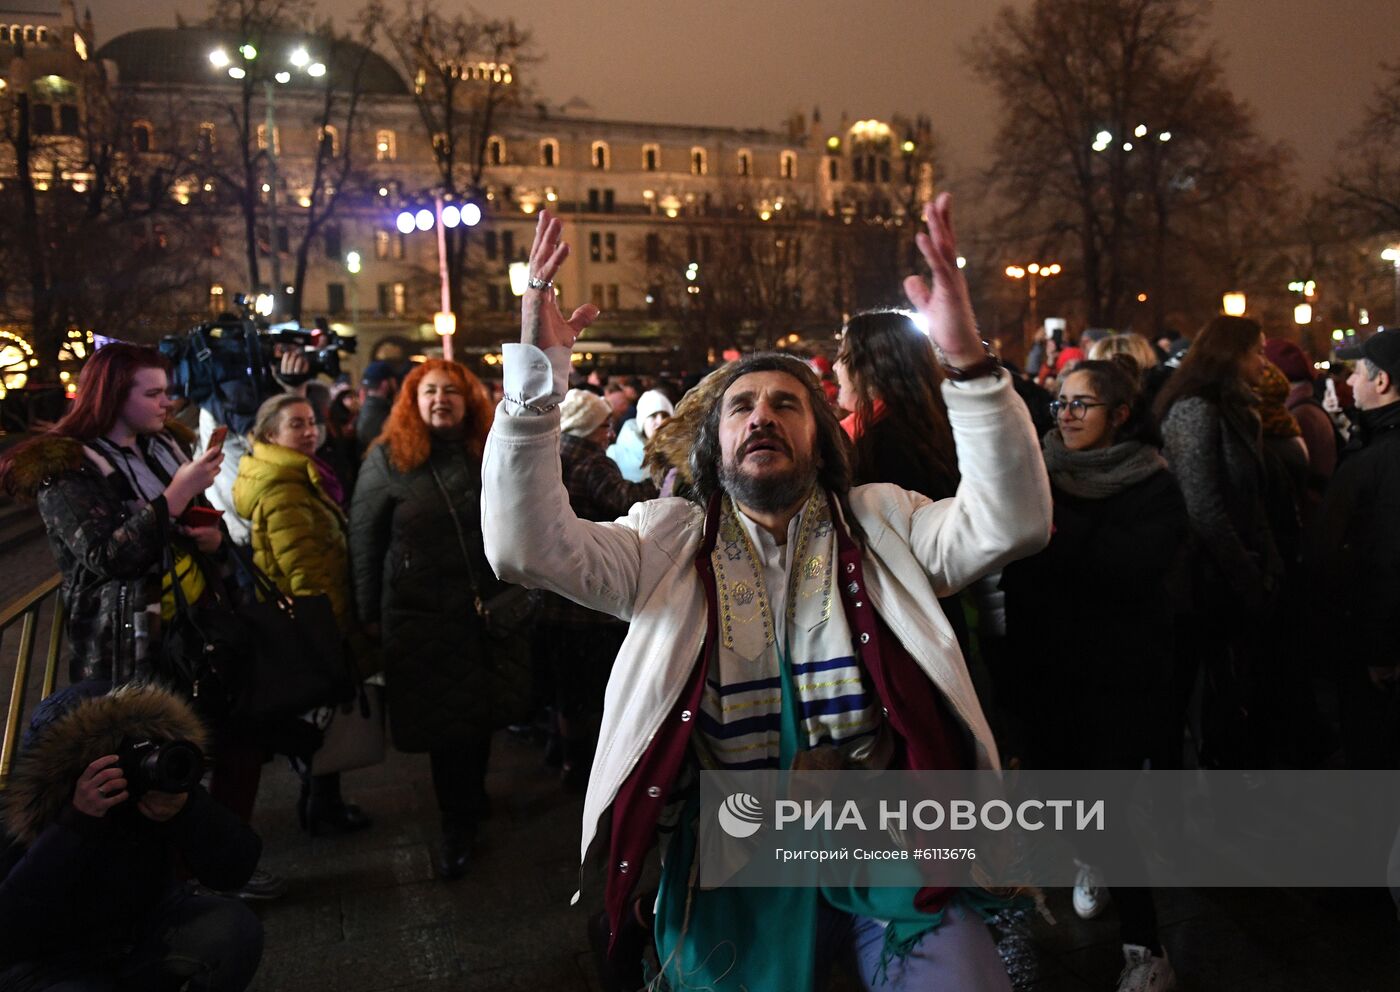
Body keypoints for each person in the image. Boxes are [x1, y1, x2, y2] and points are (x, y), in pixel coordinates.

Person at [482, 198, 1050, 991]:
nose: (762, 417)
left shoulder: (885, 520)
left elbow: (1013, 522)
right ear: (714, 444)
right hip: (734, 847)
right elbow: (522, 548)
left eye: (787, 403)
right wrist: (536, 387)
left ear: (822, 437)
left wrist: (970, 368)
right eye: (741, 406)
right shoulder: (665, 540)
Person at [1000, 358, 1187, 992]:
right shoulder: (1040, 473)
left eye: (1083, 404)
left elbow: (1133, 566)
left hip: (1119, 680)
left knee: (1105, 807)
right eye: (1061, 403)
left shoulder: (1152, 483)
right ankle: (1090, 858)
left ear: (1121, 415)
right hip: (1046, 676)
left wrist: (1056, 526)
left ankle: (1145, 946)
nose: (1068, 415)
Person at [0, 680, 263, 990]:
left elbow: (237, 869)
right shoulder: (26, 812)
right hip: (49, 962)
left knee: (234, 929)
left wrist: (187, 812)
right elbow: (9, 932)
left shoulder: (152, 782)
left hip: (137, 935)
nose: (126, 765)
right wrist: (73, 826)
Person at [349, 359, 505, 880]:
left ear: (470, 401)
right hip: (420, 616)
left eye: (452, 392)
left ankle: (474, 798)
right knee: (445, 729)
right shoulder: (388, 458)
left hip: (484, 609)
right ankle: (454, 823)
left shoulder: (488, 449)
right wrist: (368, 613)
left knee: (480, 714)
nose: (441, 400)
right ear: (412, 401)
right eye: (430, 392)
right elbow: (365, 539)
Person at [232, 393, 371, 837]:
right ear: (271, 433)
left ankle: (323, 803)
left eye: (312, 422)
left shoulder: (299, 475)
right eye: (297, 424)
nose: (310, 431)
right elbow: (302, 570)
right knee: (320, 720)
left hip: (315, 619)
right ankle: (320, 809)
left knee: (320, 720)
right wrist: (328, 632)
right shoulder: (284, 490)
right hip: (314, 624)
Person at [1155, 316, 1281, 769]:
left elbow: (1250, 496)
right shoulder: (1196, 408)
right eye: (1257, 351)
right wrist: (1247, 573)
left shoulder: (1240, 408)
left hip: (1228, 574)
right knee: (1184, 694)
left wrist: (1266, 562)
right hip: (1198, 582)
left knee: (1227, 694)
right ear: (1231, 354)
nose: (1263, 362)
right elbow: (1202, 505)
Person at [537, 389, 658, 788]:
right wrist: (664, 478)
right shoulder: (591, 462)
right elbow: (625, 500)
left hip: (548, 593)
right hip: (586, 603)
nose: (610, 432)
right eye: (605, 424)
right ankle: (583, 766)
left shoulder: (550, 453)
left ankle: (559, 752)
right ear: (589, 426)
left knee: (561, 684)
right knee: (589, 689)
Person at [1310, 329, 1400, 770]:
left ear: (1381, 382)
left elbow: (1389, 555)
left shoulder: (1389, 453)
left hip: (1372, 651)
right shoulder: (1376, 440)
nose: (1348, 383)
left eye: (1357, 374)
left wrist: (1382, 650)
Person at [607, 389, 674, 482]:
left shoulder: (678, 454)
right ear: (642, 421)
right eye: (653, 416)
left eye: (665, 416)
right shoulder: (615, 454)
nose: (660, 422)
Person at [356, 361, 399, 452]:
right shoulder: (382, 415)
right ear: (385, 384)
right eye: (393, 380)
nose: (396, 384)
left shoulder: (367, 409)